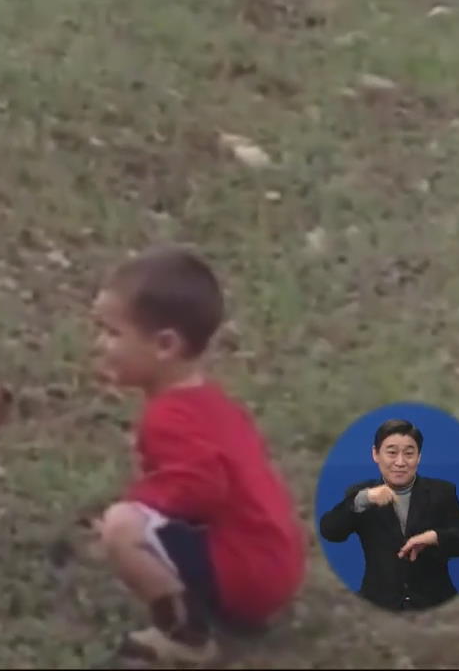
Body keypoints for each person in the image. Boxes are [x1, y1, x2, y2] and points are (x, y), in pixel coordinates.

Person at [88, 243, 307, 667]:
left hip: (248, 574)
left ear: (165, 345)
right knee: (138, 520)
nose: (101, 344)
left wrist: (140, 505)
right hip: (273, 563)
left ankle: (185, 636)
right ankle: (216, 606)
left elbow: (202, 484)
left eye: (113, 333)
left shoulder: (169, 417)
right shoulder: (209, 401)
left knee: (122, 528)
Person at [318, 419, 459, 612]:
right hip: (378, 605)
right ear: (375, 454)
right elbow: (330, 531)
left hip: (435, 604)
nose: (400, 462)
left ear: (419, 457)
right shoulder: (360, 494)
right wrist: (364, 499)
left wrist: (435, 537)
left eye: (409, 454)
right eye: (392, 453)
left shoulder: (441, 492)